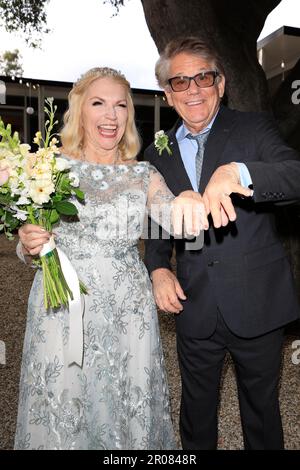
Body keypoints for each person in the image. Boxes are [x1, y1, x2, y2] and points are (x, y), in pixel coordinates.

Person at [13, 66, 208, 450]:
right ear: (80, 110)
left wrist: (193, 203)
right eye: (99, 103)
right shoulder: (47, 167)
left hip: (127, 309)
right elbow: (27, 247)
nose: (111, 115)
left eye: (121, 105)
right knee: (64, 402)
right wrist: (28, 241)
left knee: (127, 401)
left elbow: (180, 222)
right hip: (61, 305)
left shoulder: (142, 174)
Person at [144, 37, 300, 450]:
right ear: (168, 94)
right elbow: (156, 219)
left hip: (257, 300)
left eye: (204, 78)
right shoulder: (156, 152)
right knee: (195, 411)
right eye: (180, 81)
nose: (193, 89)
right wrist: (159, 267)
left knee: (261, 412)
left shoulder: (254, 129)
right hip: (193, 304)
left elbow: (295, 175)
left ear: (221, 83)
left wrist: (239, 172)